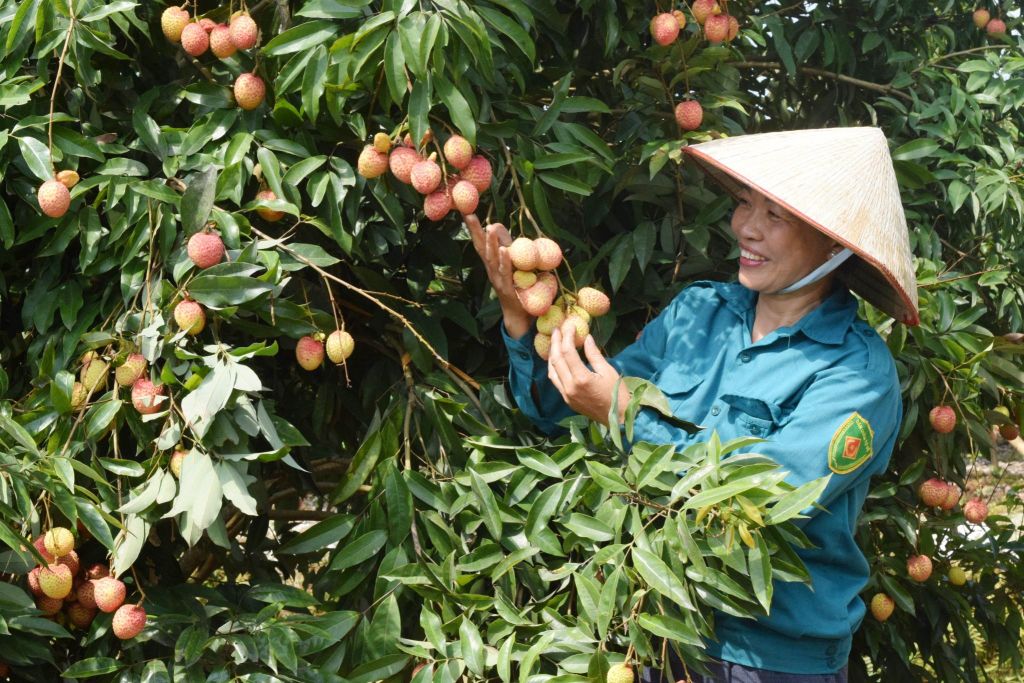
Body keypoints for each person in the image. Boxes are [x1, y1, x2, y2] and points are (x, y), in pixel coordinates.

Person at [466, 127, 919, 682]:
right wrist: (520, 316)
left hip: (771, 661)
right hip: (653, 634)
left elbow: (764, 500)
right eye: (746, 203)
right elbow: (560, 412)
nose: (745, 227)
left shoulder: (857, 375)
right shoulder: (697, 314)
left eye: (775, 215)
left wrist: (623, 413)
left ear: (833, 243)